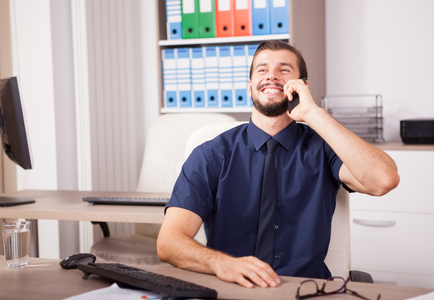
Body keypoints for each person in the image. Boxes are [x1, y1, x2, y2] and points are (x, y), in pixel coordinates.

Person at [157, 40, 400, 289]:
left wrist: (313, 113)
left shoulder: (325, 147)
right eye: (261, 70)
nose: (271, 76)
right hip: (235, 290)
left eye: (284, 70)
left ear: (302, 87)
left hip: (308, 290)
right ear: (250, 87)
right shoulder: (211, 155)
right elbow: (169, 243)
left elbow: (384, 180)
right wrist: (221, 263)